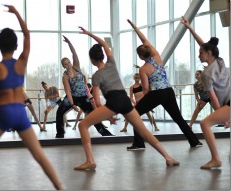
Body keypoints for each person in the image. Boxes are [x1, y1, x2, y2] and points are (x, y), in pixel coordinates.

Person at [0, 5, 63, 190]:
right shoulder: (21, 63)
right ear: (16, 46)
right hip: (20, 113)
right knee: (39, 155)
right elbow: (27, 35)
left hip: (5, 113)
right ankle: (60, 186)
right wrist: (17, 13)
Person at [74, 26, 179, 170]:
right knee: (144, 131)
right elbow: (105, 45)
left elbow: (97, 101)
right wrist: (89, 33)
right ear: (103, 56)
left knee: (82, 125)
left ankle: (90, 161)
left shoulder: (96, 76)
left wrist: (106, 116)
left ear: (92, 60)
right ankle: (168, 157)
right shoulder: (112, 63)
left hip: (114, 102)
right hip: (125, 100)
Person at [126, 19, 203, 151]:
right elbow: (144, 40)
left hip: (157, 93)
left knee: (135, 114)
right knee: (178, 118)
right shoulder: (157, 57)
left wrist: (146, 101)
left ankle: (139, 144)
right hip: (168, 91)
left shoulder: (143, 69)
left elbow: (145, 89)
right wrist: (135, 27)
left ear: (140, 57)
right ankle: (194, 141)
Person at [181, 16, 230, 169]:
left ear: (209, 53)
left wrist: (223, 118)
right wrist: (189, 28)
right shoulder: (219, 60)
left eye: (200, 53)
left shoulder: (206, 73)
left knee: (205, 123)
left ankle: (216, 159)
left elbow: (214, 99)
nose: (198, 55)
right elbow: (203, 44)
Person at [55, 35, 113, 138]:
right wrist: (72, 104)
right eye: (65, 64)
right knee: (60, 112)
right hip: (72, 97)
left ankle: (104, 133)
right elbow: (68, 91)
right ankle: (60, 134)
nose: (68, 64)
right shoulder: (65, 76)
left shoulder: (76, 67)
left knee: (92, 114)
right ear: (63, 66)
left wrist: (69, 43)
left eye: (68, 62)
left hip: (83, 97)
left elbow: (74, 53)